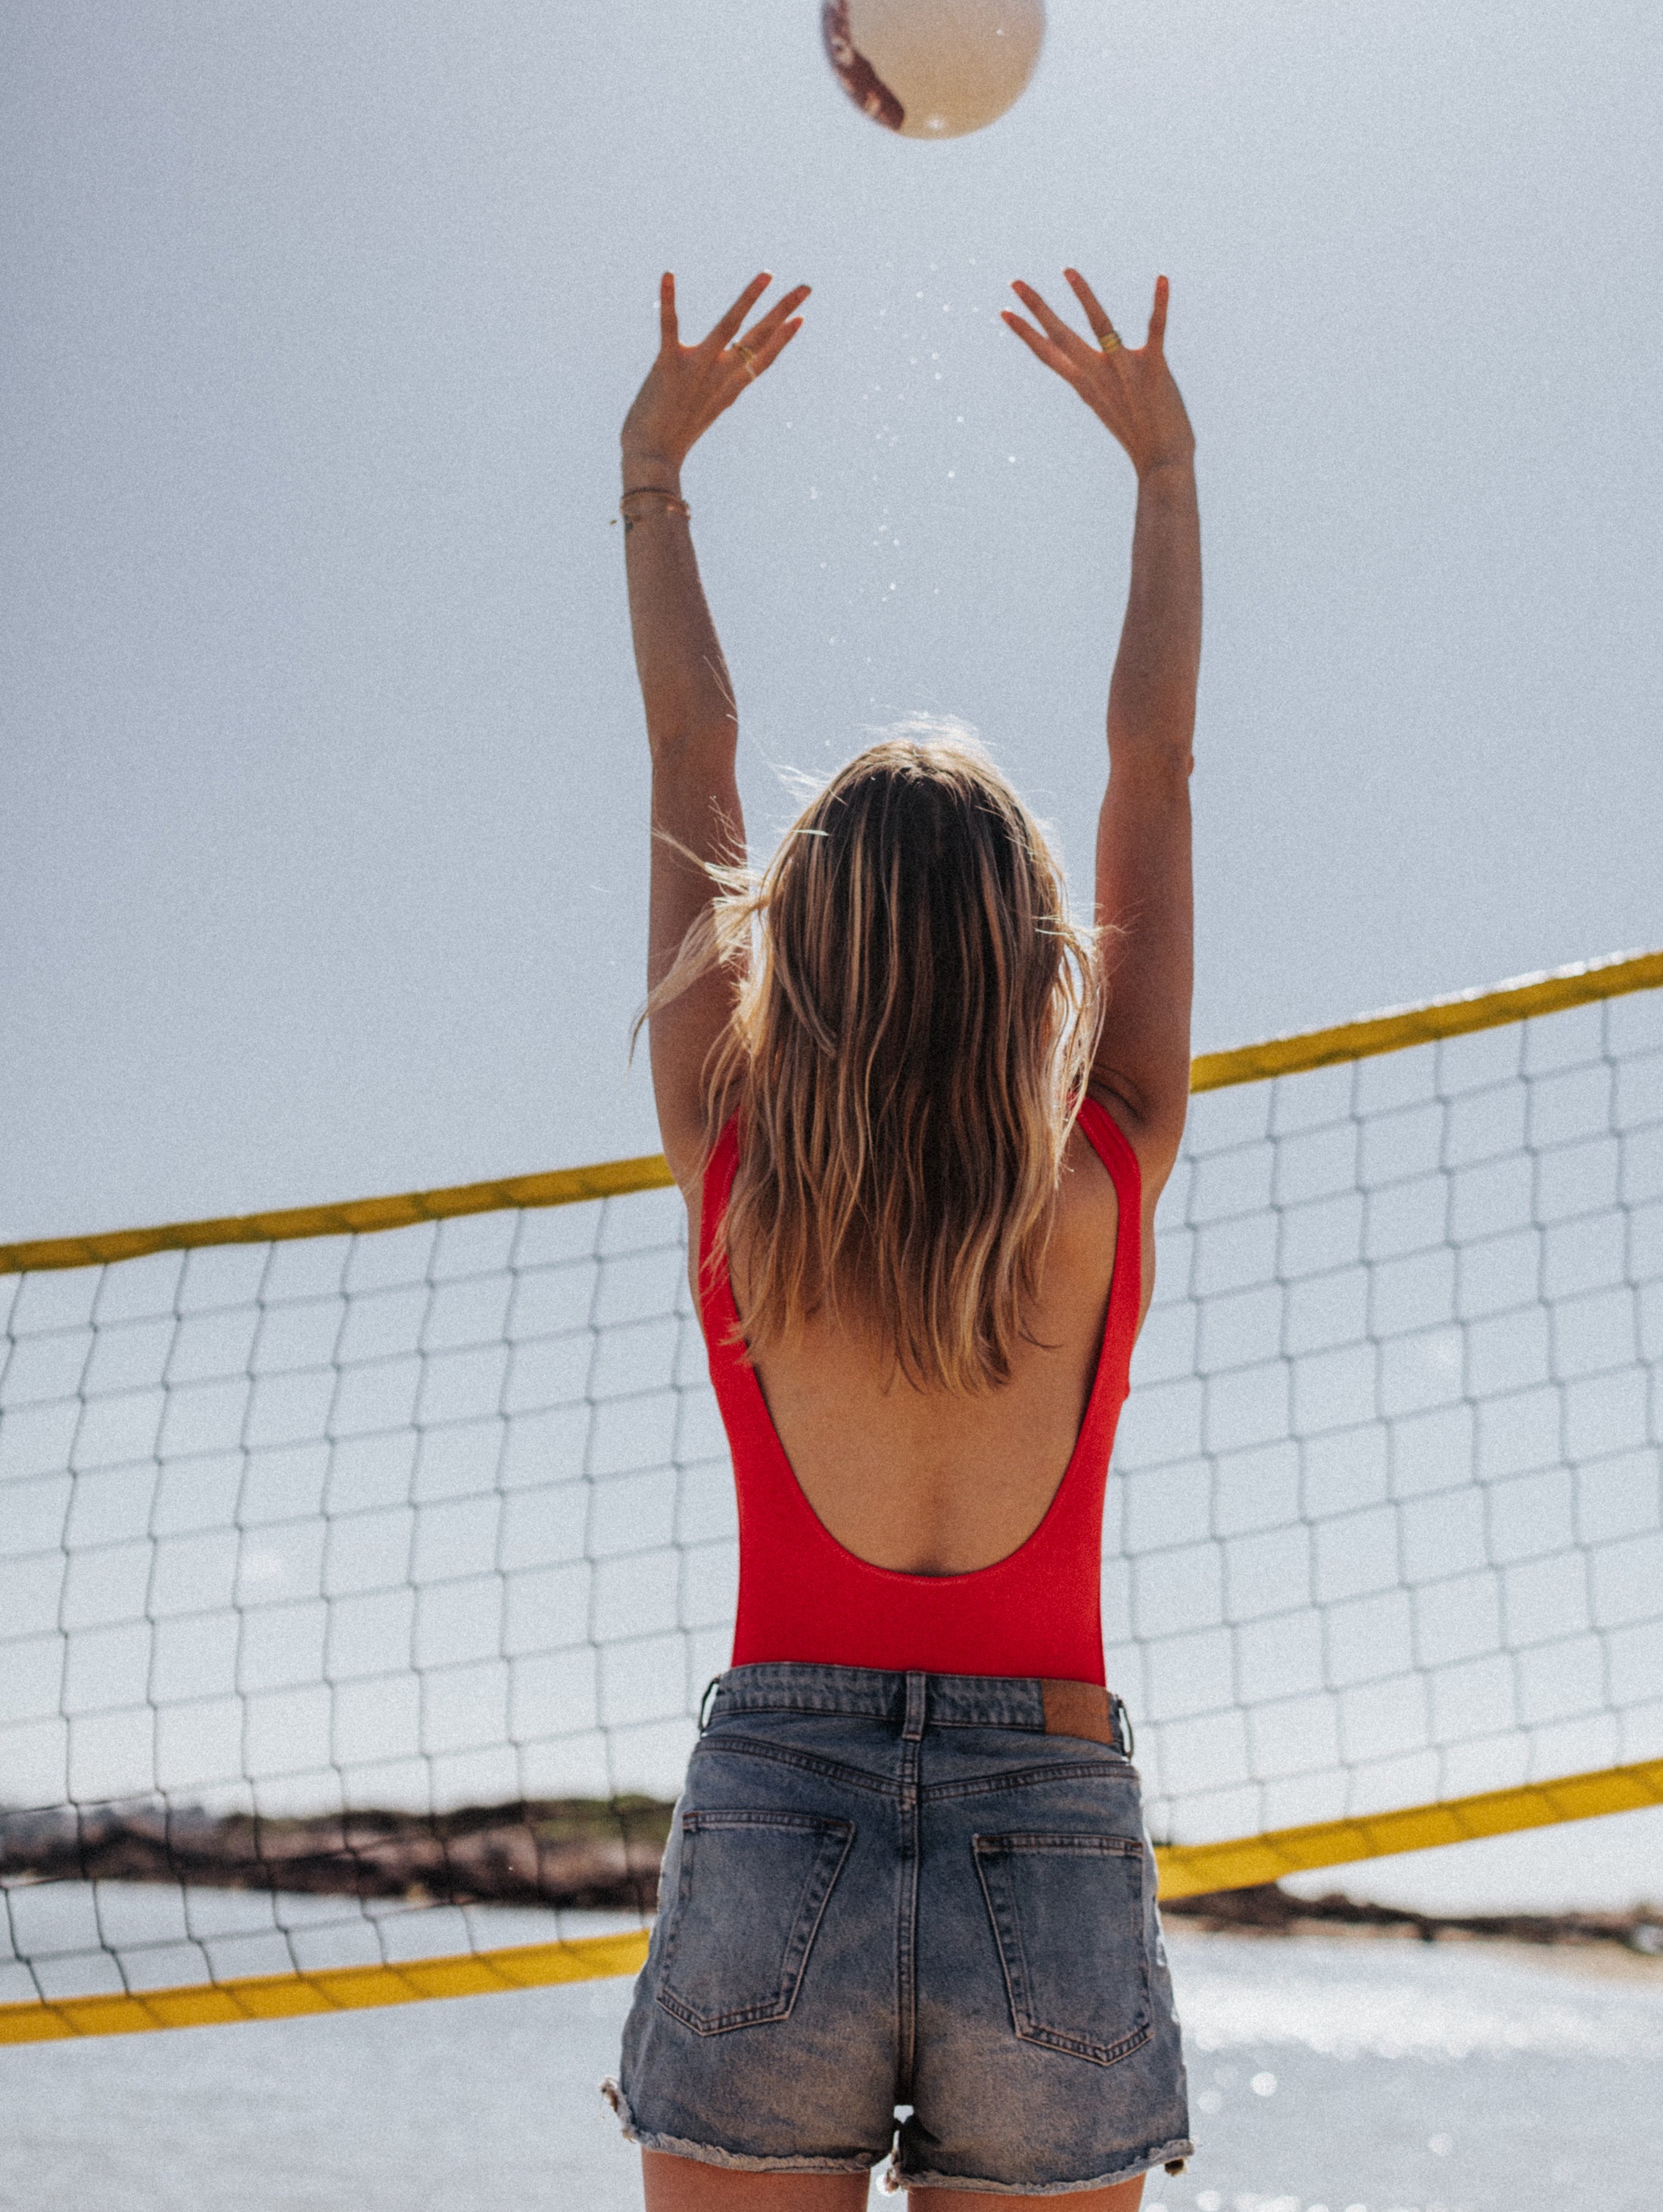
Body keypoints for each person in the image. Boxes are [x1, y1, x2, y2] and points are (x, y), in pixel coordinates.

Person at [606, 265, 1202, 2208]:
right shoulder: (1104, 1164)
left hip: (783, 1806)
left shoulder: (739, 1168)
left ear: (796, 945)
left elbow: (693, 754)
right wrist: (1165, 473)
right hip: (1053, 1811)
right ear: (1040, 957)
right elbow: (1154, 768)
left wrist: (653, 477)